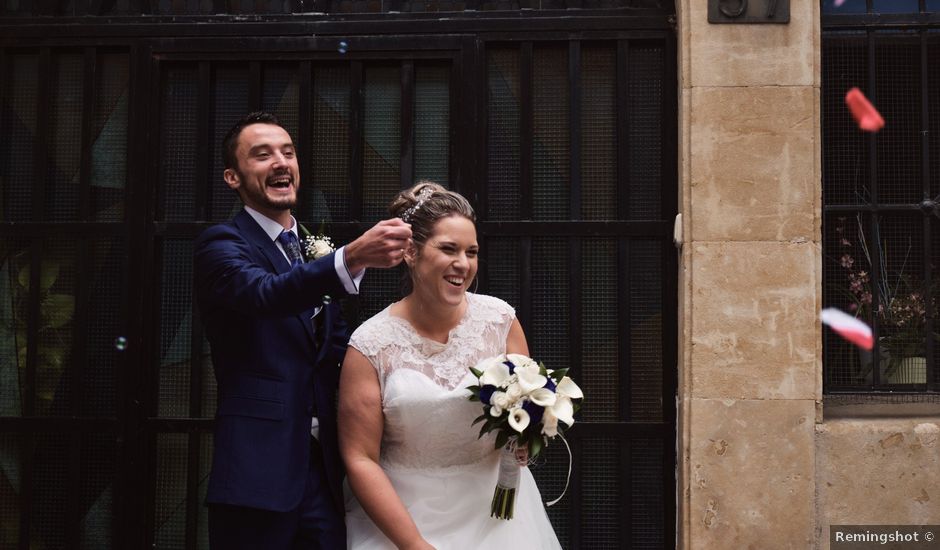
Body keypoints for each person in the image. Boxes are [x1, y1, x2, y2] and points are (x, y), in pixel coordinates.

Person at [193, 111, 412, 550]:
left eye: (288, 153)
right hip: (256, 475)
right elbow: (265, 294)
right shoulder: (221, 244)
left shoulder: (312, 248)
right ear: (232, 178)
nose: (280, 161)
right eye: (262, 154)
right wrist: (349, 258)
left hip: (326, 474)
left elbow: (338, 351)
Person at [338, 182, 562, 549]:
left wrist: (525, 437)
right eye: (449, 249)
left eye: (472, 252)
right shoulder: (370, 345)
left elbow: (525, 406)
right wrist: (413, 544)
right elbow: (360, 457)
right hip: (402, 522)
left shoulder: (500, 321)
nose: (463, 264)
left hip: (499, 519)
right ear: (411, 251)